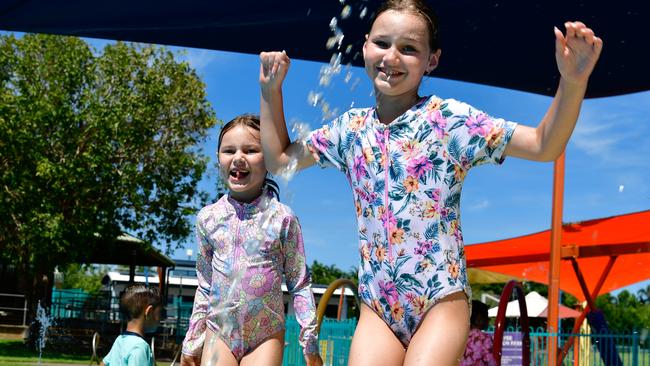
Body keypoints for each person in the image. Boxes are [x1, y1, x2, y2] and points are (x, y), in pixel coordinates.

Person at [259, 0, 602, 364]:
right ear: (364, 47)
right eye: (382, 43)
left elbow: (543, 145)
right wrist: (270, 92)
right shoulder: (350, 129)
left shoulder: (449, 120)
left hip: (440, 296)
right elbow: (280, 162)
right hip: (378, 304)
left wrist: (573, 81)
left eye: (409, 49)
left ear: (431, 60)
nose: (392, 57)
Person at [180, 114, 323, 366]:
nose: (238, 157)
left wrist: (309, 340)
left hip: (265, 335)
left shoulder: (282, 218)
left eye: (250, 150)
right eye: (229, 150)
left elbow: (299, 283)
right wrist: (192, 341)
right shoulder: (208, 219)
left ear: (269, 158)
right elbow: (205, 285)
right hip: (219, 331)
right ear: (218, 160)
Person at [101, 284, 161, 366]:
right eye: (160, 313)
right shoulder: (140, 347)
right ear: (149, 312)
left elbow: (103, 363)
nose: (161, 319)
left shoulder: (120, 340)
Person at [460, 300, 496, 366]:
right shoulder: (483, 338)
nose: (488, 320)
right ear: (479, 318)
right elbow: (490, 361)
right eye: (486, 316)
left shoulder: (459, 335)